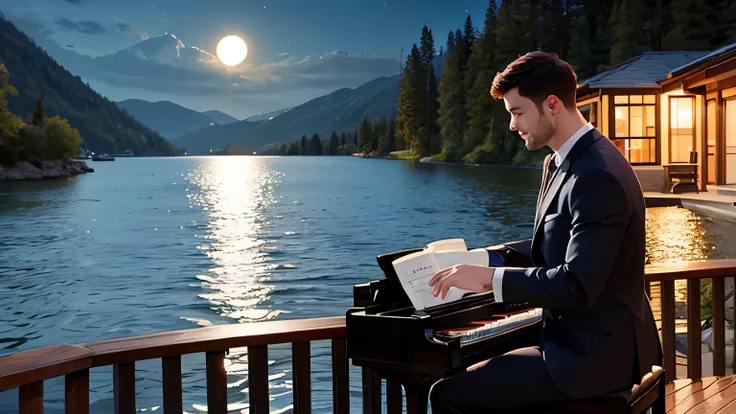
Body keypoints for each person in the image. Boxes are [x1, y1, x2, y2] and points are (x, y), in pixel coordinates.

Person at [427, 51, 662, 413]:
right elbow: (553, 243)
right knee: (476, 375)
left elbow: (578, 286)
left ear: (552, 104)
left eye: (517, 112)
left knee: (446, 394)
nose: (511, 125)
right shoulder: (561, 161)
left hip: (592, 361)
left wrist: (490, 278)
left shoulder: (596, 175)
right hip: (581, 346)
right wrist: (483, 258)